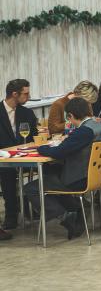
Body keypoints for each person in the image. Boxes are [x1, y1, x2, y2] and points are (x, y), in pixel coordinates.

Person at [21, 97, 101, 239]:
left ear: (70, 116)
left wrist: (41, 148)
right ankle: (77, 208)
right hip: (97, 176)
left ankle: (65, 216)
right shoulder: (99, 127)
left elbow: (59, 152)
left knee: (31, 188)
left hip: (79, 179)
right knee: (50, 175)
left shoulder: (83, 132)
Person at [1, 79, 39, 237]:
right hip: (3, 158)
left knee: (46, 168)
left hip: (25, 156)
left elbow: (34, 136)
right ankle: (11, 214)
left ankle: (34, 207)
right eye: (26, 93)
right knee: (7, 173)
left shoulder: (27, 113)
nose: (28, 97)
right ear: (14, 94)